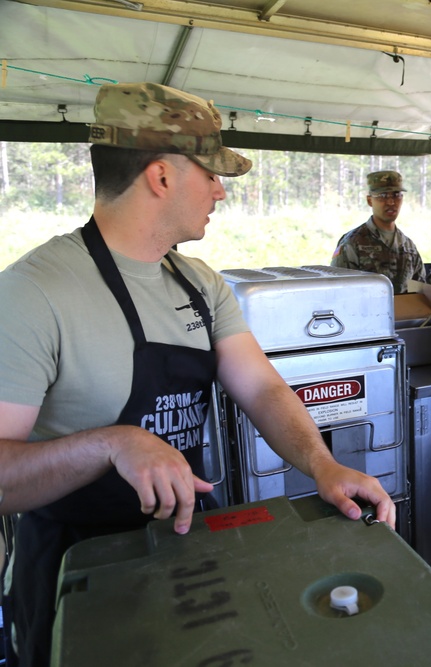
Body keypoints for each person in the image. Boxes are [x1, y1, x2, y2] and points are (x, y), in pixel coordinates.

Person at [0, 82, 395, 666]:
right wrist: (114, 444)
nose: (220, 191)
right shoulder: (34, 292)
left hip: (185, 557)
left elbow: (260, 387)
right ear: (160, 177)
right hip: (77, 574)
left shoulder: (199, 282)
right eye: (210, 174)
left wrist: (322, 463)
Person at [331, 170, 426, 294]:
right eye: (383, 196)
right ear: (370, 201)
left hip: (404, 313)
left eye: (396, 195)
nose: (391, 202)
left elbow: (421, 296)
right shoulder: (352, 243)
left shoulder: (408, 247)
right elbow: (339, 292)